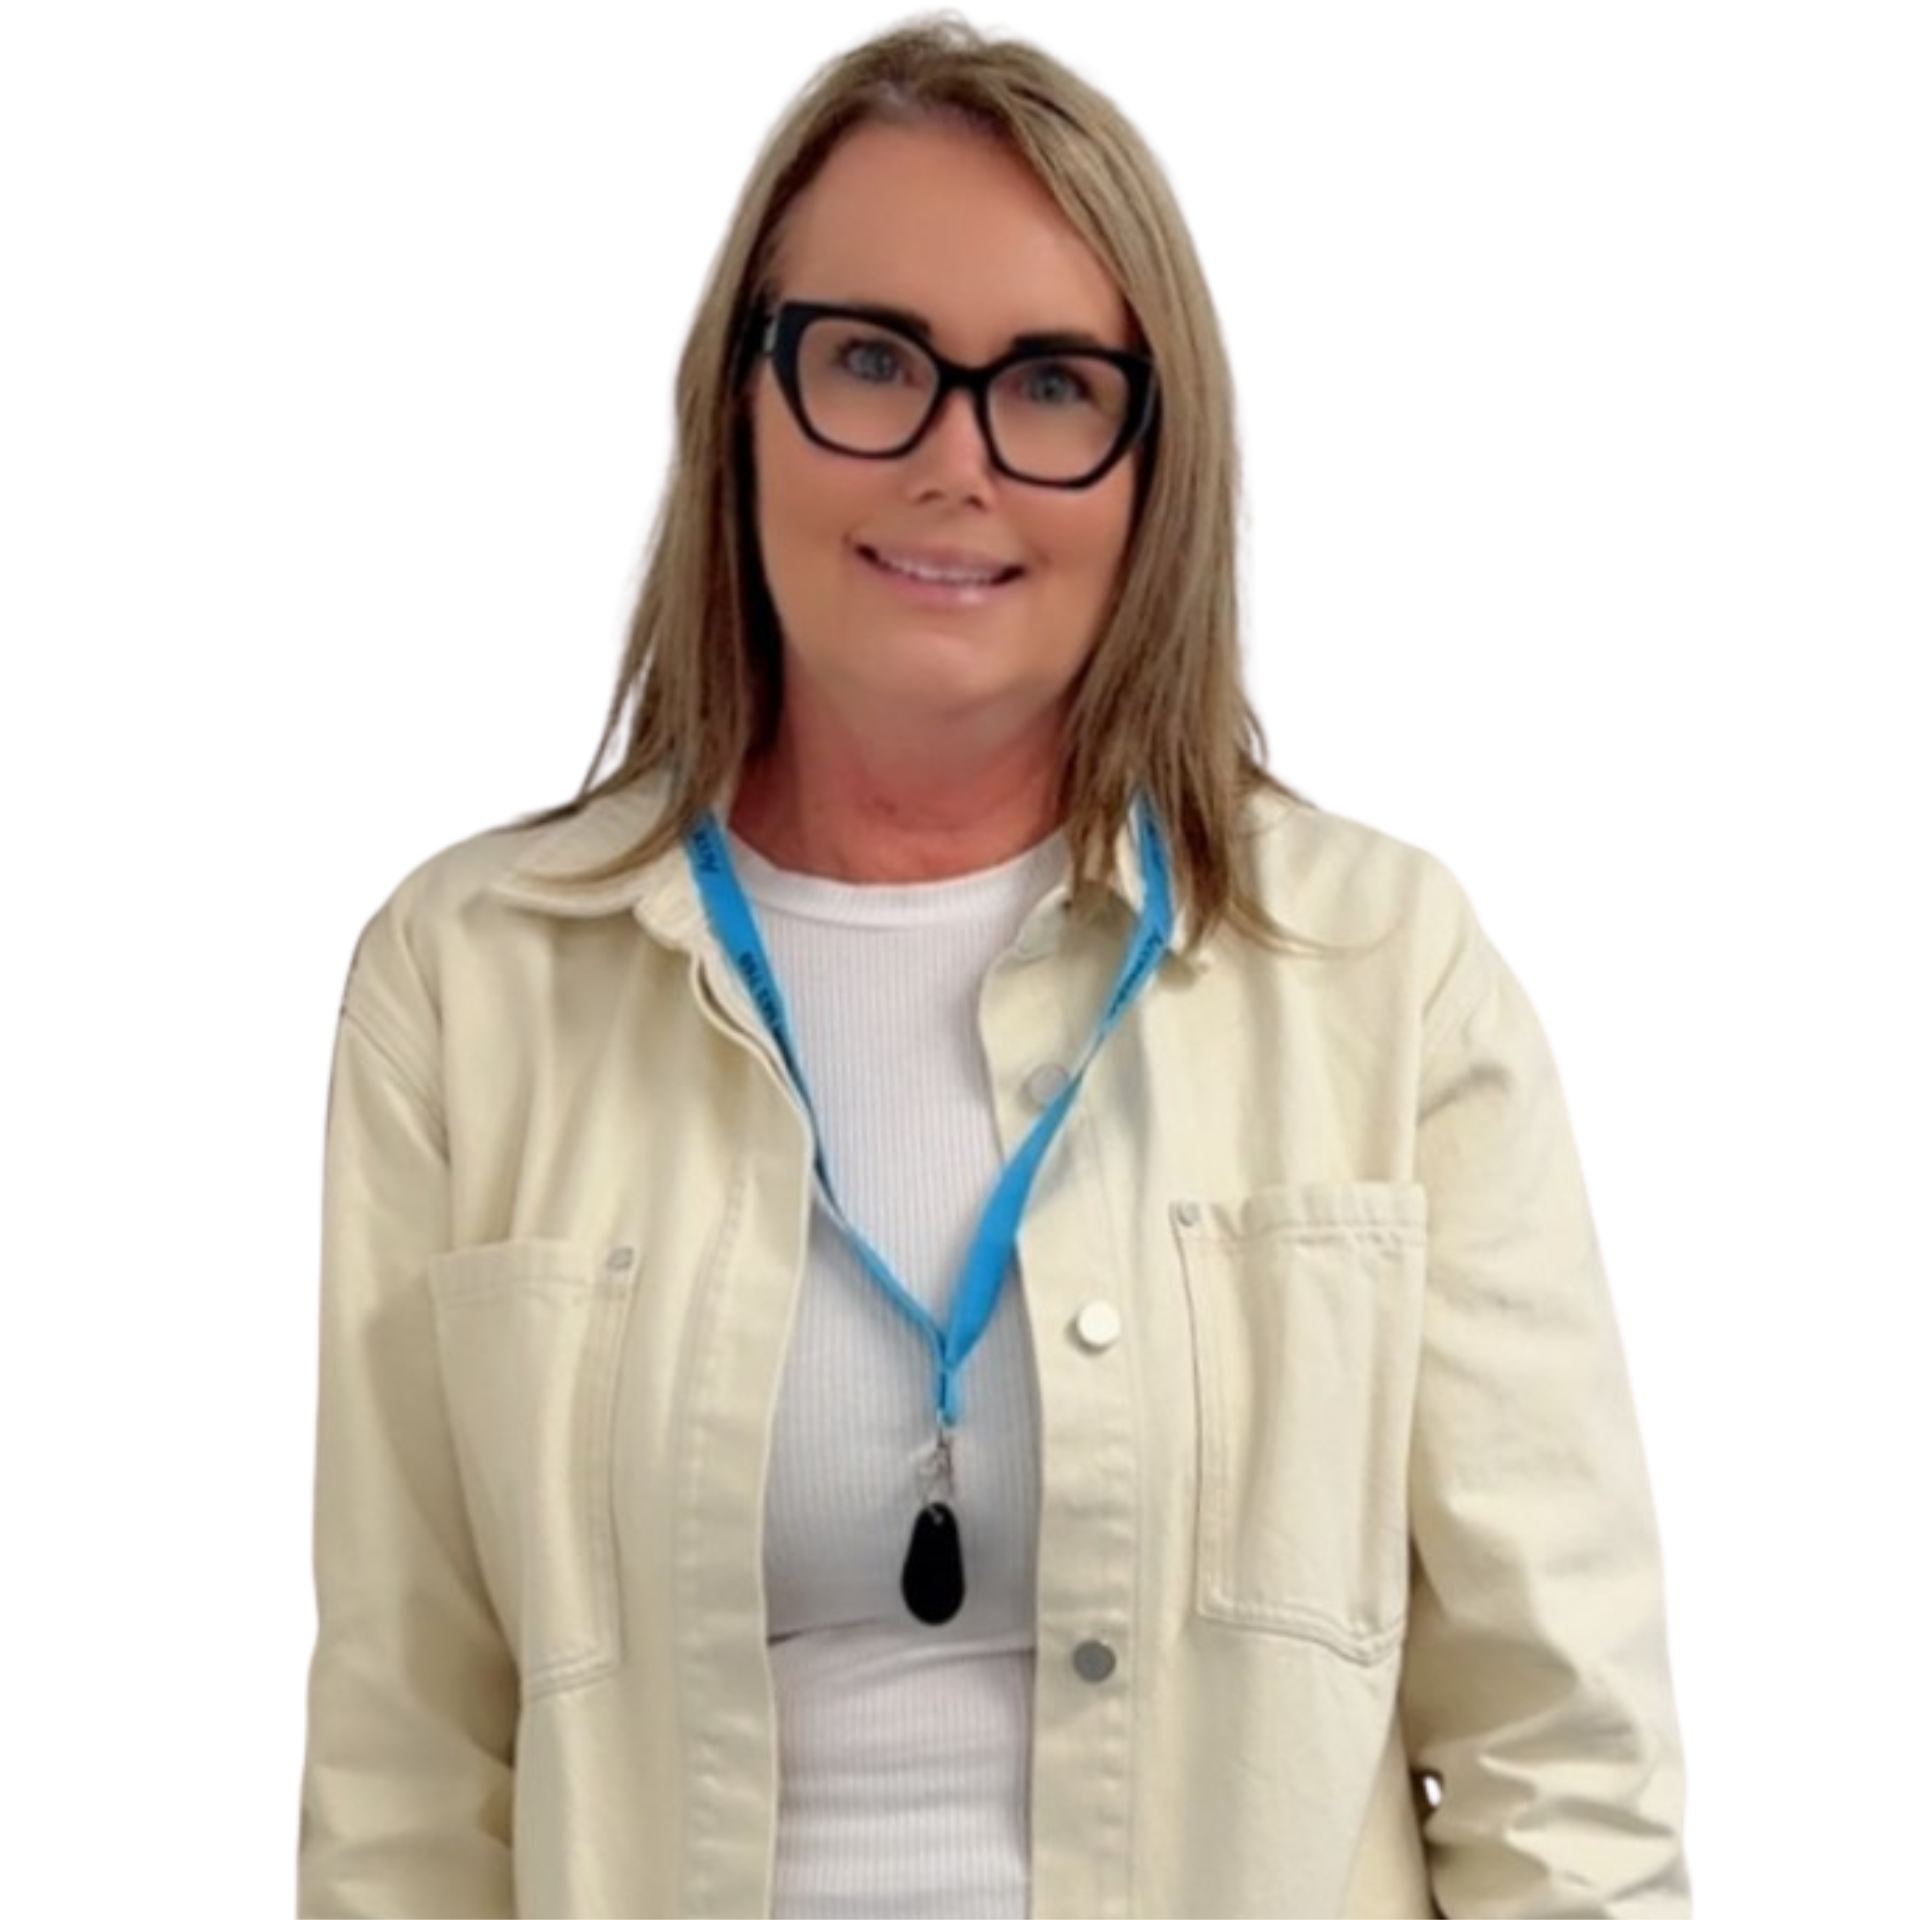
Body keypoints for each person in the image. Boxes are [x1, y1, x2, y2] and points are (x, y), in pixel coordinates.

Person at [296, 9, 1692, 1917]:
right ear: (738, 403)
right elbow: (403, 1774)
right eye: (870, 359)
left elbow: (1564, 1763)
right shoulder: (473, 982)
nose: (956, 462)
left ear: (1154, 464)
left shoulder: (1385, 972)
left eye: (1049, 384)